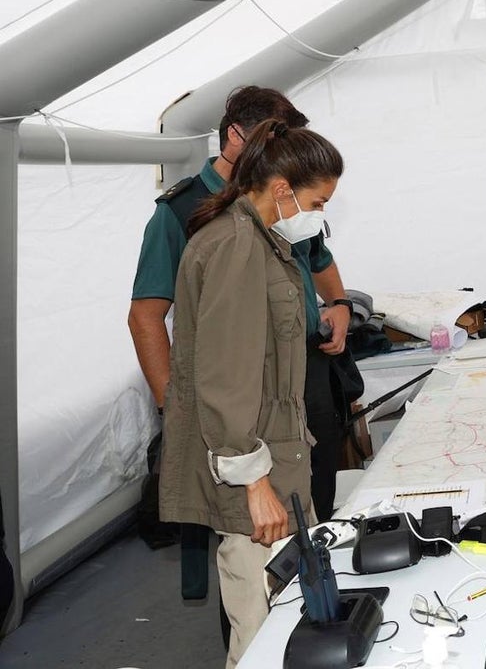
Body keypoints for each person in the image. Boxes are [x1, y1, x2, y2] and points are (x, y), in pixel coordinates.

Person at [159, 119, 343, 668]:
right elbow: (224, 375)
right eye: (319, 200)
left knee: (288, 615)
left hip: (279, 456)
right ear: (283, 189)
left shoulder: (264, 241)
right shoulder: (237, 245)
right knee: (260, 629)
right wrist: (254, 482)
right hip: (251, 471)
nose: (321, 213)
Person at [129, 86, 353, 533]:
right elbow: (159, 325)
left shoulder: (276, 215)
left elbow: (318, 262)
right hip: (247, 403)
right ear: (236, 136)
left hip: (295, 379)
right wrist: (181, 411)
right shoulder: (212, 225)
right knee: (257, 553)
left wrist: (341, 305)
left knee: (313, 515)